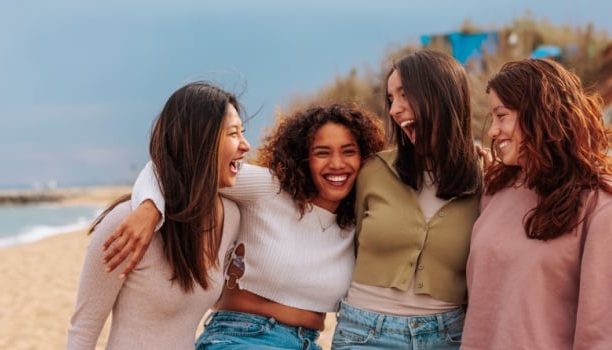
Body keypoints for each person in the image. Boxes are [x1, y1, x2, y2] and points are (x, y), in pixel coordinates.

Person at [104, 104, 387, 349]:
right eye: (322, 153)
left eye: (349, 152)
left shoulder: (359, 221)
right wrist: (150, 207)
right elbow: (181, 166)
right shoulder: (268, 188)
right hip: (244, 337)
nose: (337, 164)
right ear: (303, 158)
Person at [460, 58, 612, 349]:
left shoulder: (602, 202)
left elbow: (608, 332)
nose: (493, 131)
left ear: (538, 116)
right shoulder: (497, 189)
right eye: (491, 119)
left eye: (501, 116)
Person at [66, 82, 250, 350]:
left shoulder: (231, 217)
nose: (245, 145)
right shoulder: (126, 223)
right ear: (201, 141)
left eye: (242, 133)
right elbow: (83, 330)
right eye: (233, 134)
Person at [331, 49, 483, 349]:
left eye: (404, 95)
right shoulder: (372, 170)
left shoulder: (486, 181)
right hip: (364, 333)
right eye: (390, 99)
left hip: (448, 337)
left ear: (441, 94)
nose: (394, 110)